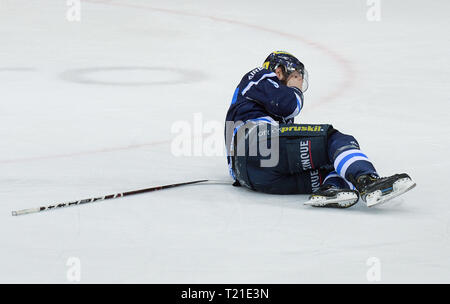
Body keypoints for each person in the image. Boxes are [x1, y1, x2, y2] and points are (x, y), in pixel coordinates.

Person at [224, 51, 415, 208]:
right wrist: (295, 90)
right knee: (334, 139)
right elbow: (289, 104)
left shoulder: (259, 100)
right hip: (255, 145)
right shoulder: (260, 75)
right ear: (280, 71)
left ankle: (330, 189)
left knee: (332, 163)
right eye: (296, 76)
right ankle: (368, 181)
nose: (299, 82)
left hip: (255, 177)